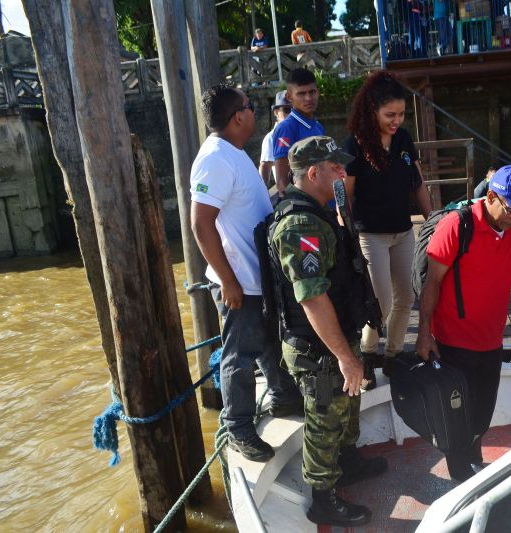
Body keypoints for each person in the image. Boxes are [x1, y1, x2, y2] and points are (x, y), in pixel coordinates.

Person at [270, 136, 388, 527]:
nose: (343, 171)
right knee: (325, 417)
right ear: (314, 172)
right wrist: (344, 356)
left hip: (337, 333)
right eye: (335, 167)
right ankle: (323, 497)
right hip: (317, 345)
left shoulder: (321, 213)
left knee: (347, 404)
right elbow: (312, 297)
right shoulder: (300, 224)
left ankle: (348, 462)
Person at [189, 83, 303, 462]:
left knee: (268, 339)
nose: (255, 112)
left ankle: (283, 395)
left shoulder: (234, 153)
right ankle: (238, 425)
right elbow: (201, 224)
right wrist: (228, 281)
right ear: (238, 116)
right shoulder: (215, 159)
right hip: (238, 280)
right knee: (239, 355)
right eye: (251, 106)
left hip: (258, 277)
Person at [416, 164, 511, 482]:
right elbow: (432, 282)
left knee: (482, 415)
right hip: (452, 341)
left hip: (491, 340)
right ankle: (461, 474)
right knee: (456, 417)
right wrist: (424, 334)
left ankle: (471, 460)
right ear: (491, 197)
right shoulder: (456, 227)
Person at [343, 70, 432, 384]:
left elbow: (417, 183)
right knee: (380, 303)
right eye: (389, 115)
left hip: (403, 232)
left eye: (401, 114)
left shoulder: (404, 139)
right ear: (372, 111)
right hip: (370, 235)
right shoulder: (354, 145)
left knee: (407, 297)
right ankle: (367, 355)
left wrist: (431, 222)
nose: (396, 121)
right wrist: (348, 238)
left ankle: (393, 357)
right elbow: (345, 196)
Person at [272, 68, 324, 195]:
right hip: (307, 209)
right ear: (289, 97)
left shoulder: (318, 126)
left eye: (312, 92)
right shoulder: (286, 128)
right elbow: (282, 182)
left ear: (317, 92)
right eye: (301, 94)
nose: (308, 98)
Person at [259, 90, 291, 187]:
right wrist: (264, 194)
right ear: (276, 112)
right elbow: (265, 167)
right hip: (288, 194)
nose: (291, 114)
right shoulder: (271, 137)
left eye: (294, 110)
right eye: (287, 110)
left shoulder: (299, 129)